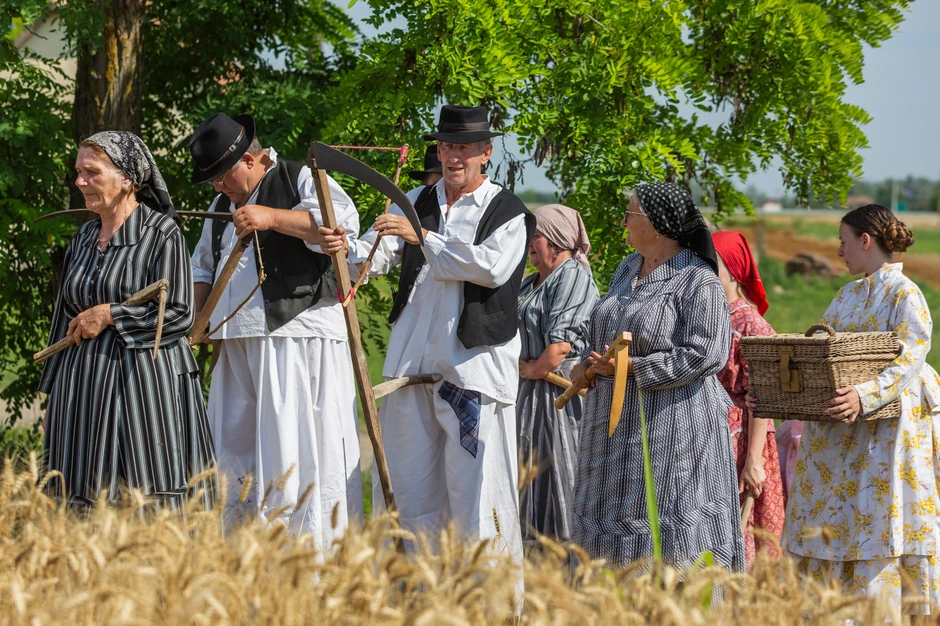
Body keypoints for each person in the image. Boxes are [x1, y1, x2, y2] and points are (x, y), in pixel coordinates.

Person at [323, 105, 535, 570]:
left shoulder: (508, 212)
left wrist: (422, 236)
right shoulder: (417, 199)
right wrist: (345, 248)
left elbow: (490, 268)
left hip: (471, 374)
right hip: (411, 369)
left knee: (478, 502)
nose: (454, 156)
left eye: (465, 148)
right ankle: (413, 597)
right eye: (447, 146)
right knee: (408, 495)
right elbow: (376, 257)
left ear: (485, 153)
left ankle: (487, 601)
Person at [188, 113, 363, 548]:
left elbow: (338, 228)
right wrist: (198, 320)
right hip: (236, 341)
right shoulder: (221, 206)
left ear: (249, 160)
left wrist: (269, 216)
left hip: (296, 336)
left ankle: (306, 555)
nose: (218, 188)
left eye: (222, 177)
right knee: (235, 451)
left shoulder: (299, 177)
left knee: (294, 448)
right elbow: (202, 267)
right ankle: (241, 553)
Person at [774, 205, 940, 615]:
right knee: (831, 517)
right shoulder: (845, 295)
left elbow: (912, 355)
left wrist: (865, 396)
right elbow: (819, 353)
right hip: (836, 429)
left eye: (843, 242)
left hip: (886, 426)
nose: (838, 251)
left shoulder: (905, 293)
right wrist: (785, 392)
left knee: (875, 516)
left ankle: (876, 611)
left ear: (866, 241)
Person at [569, 182, 745, 571]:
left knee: (660, 525)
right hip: (609, 429)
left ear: (656, 225)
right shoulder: (627, 267)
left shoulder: (698, 280)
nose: (622, 223)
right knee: (604, 523)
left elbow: (706, 354)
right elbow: (604, 327)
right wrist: (586, 365)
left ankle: (662, 597)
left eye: (629, 215)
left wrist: (633, 367)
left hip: (669, 430)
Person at [39, 131, 217, 511]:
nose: (80, 181)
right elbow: (64, 319)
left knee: (143, 490)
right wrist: (52, 398)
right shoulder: (84, 237)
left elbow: (179, 314)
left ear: (127, 179)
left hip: (142, 385)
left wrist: (111, 314)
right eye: (78, 172)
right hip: (81, 387)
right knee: (80, 492)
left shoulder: (161, 234)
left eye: (91, 172)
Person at [517, 204, 598, 545]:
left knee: (561, 473)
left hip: (559, 394)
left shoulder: (572, 277)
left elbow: (560, 348)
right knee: (529, 476)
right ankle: (532, 558)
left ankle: (570, 558)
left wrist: (533, 369)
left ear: (557, 240)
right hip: (531, 392)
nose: (529, 244)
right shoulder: (530, 283)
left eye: (536, 236)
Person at [712, 231, 785, 569]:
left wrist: (753, 461)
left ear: (733, 270)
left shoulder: (751, 324)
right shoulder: (707, 317)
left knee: (745, 533)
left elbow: (763, 397)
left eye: (712, 264)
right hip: (711, 435)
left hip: (743, 442)